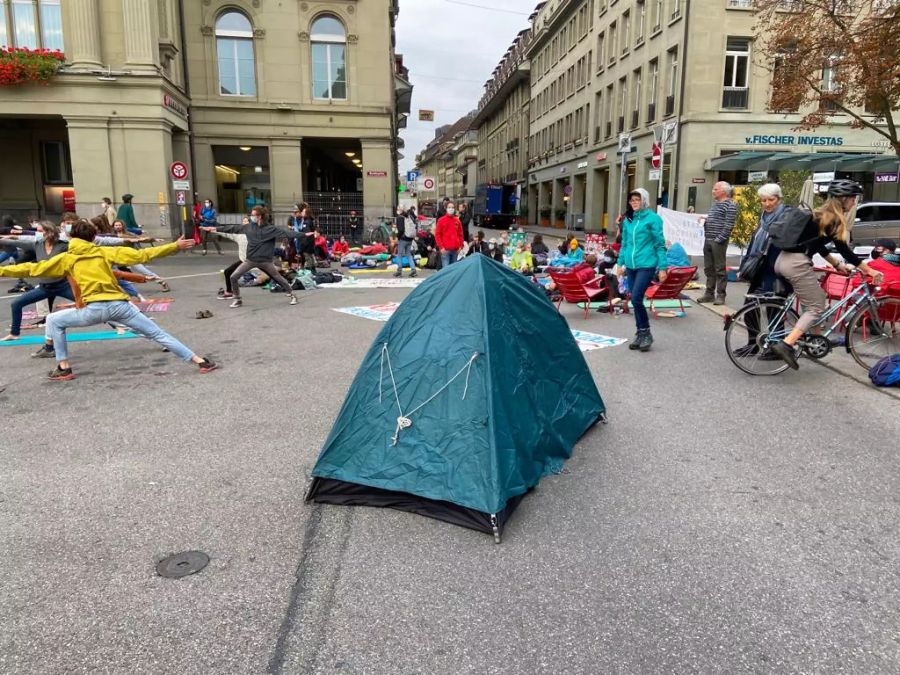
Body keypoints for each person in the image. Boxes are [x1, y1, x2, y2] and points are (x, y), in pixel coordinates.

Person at [0, 219, 217, 380]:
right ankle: (200, 361)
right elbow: (142, 256)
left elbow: (32, 268)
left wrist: (2, 272)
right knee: (158, 334)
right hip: (121, 306)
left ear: (71, 237)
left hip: (93, 309)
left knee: (55, 321)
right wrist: (174, 246)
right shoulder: (104, 252)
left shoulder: (67, 258)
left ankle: (64, 367)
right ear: (94, 237)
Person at [769, 179, 884, 370]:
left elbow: (819, 246)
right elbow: (845, 249)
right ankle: (787, 343)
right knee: (816, 306)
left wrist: (838, 265)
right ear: (844, 199)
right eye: (853, 198)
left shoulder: (820, 215)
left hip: (783, 260)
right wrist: (870, 270)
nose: (854, 202)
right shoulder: (835, 219)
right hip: (797, 264)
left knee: (817, 298)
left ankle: (815, 340)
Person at [202, 206, 299, 308]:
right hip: (249, 260)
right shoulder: (244, 231)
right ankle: (237, 299)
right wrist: (213, 229)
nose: (248, 219)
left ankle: (292, 294)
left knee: (277, 277)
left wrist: (304, 235)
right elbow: (229, 229)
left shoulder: (267, 230)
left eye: (252, 216)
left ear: (259, 217)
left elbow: (287, 233)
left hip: (264, 261)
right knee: (233, 276)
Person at [0, 221, 76, 342]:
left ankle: (117, 325)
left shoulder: (63, 246)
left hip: (62, 285)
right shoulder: (37, 244)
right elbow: (15, 242)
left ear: (49, 232)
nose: (38, 234)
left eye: (40, 231)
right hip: (44, 287)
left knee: (91, 303)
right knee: (16, 304)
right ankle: (14, 334)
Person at [617, 188, 668, 352]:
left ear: (644, 200)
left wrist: (663, 268)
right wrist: (620, 263)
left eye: (637, 200)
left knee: (637, 298)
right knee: (634, 299)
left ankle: (646, 333)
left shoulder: (653, 219)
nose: (634, 203)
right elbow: (624, 243)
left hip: (647, 264)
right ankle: (640, 333)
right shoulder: (628, 220)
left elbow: (660, 245)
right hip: (631, 266)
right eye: (632, 200)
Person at [697, 181, 737, 305]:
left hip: (718, 241)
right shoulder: (715, 204)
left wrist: (720, 239)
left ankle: (721, 295)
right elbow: (715, 219)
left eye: (715, 189)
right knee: (709, 268)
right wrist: (705, 221)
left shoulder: (731, 204)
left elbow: (729, 224)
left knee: (719, 268)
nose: (713, 191)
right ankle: (709, 293)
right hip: (708, 239)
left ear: (723, 191)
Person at [435, 201, 464, 268]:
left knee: (453, 270)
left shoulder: (457, 221)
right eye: (449, 207)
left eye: (452, 207)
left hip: (455, 250)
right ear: (446, 208)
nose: (451, 209)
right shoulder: (441, 220)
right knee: (446, 270)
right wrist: (441, 247)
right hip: (445, 250)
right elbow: (437, 235)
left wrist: (460, 246)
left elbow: (460, 234)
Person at [393, 207, 417, 278]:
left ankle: (399, 271)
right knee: (408, 254)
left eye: (398, 209)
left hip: (403, 239)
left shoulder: (400, 217)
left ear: (400, 210)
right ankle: (413, 270)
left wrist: (398, 237)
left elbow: (401, 230)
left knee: (399, 254)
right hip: (410, 238)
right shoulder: (408, 217)